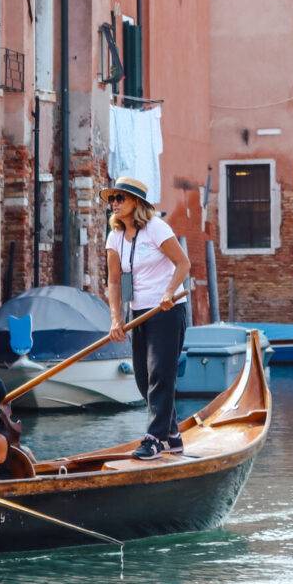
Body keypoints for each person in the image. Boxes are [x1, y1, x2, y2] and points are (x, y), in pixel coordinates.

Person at [104, 175, 192, 460]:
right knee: (143, 379)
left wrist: (169, 292)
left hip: (167, 310)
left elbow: (183, 263)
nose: (114, 203)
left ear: (136, 202)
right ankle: (173, 433)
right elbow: (114, 281)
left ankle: (154, 438)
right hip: (140, 313)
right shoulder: (115, 236)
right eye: (112, 199)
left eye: (120, 198)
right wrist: (116, 319)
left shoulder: (156, 228)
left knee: (160, 374)